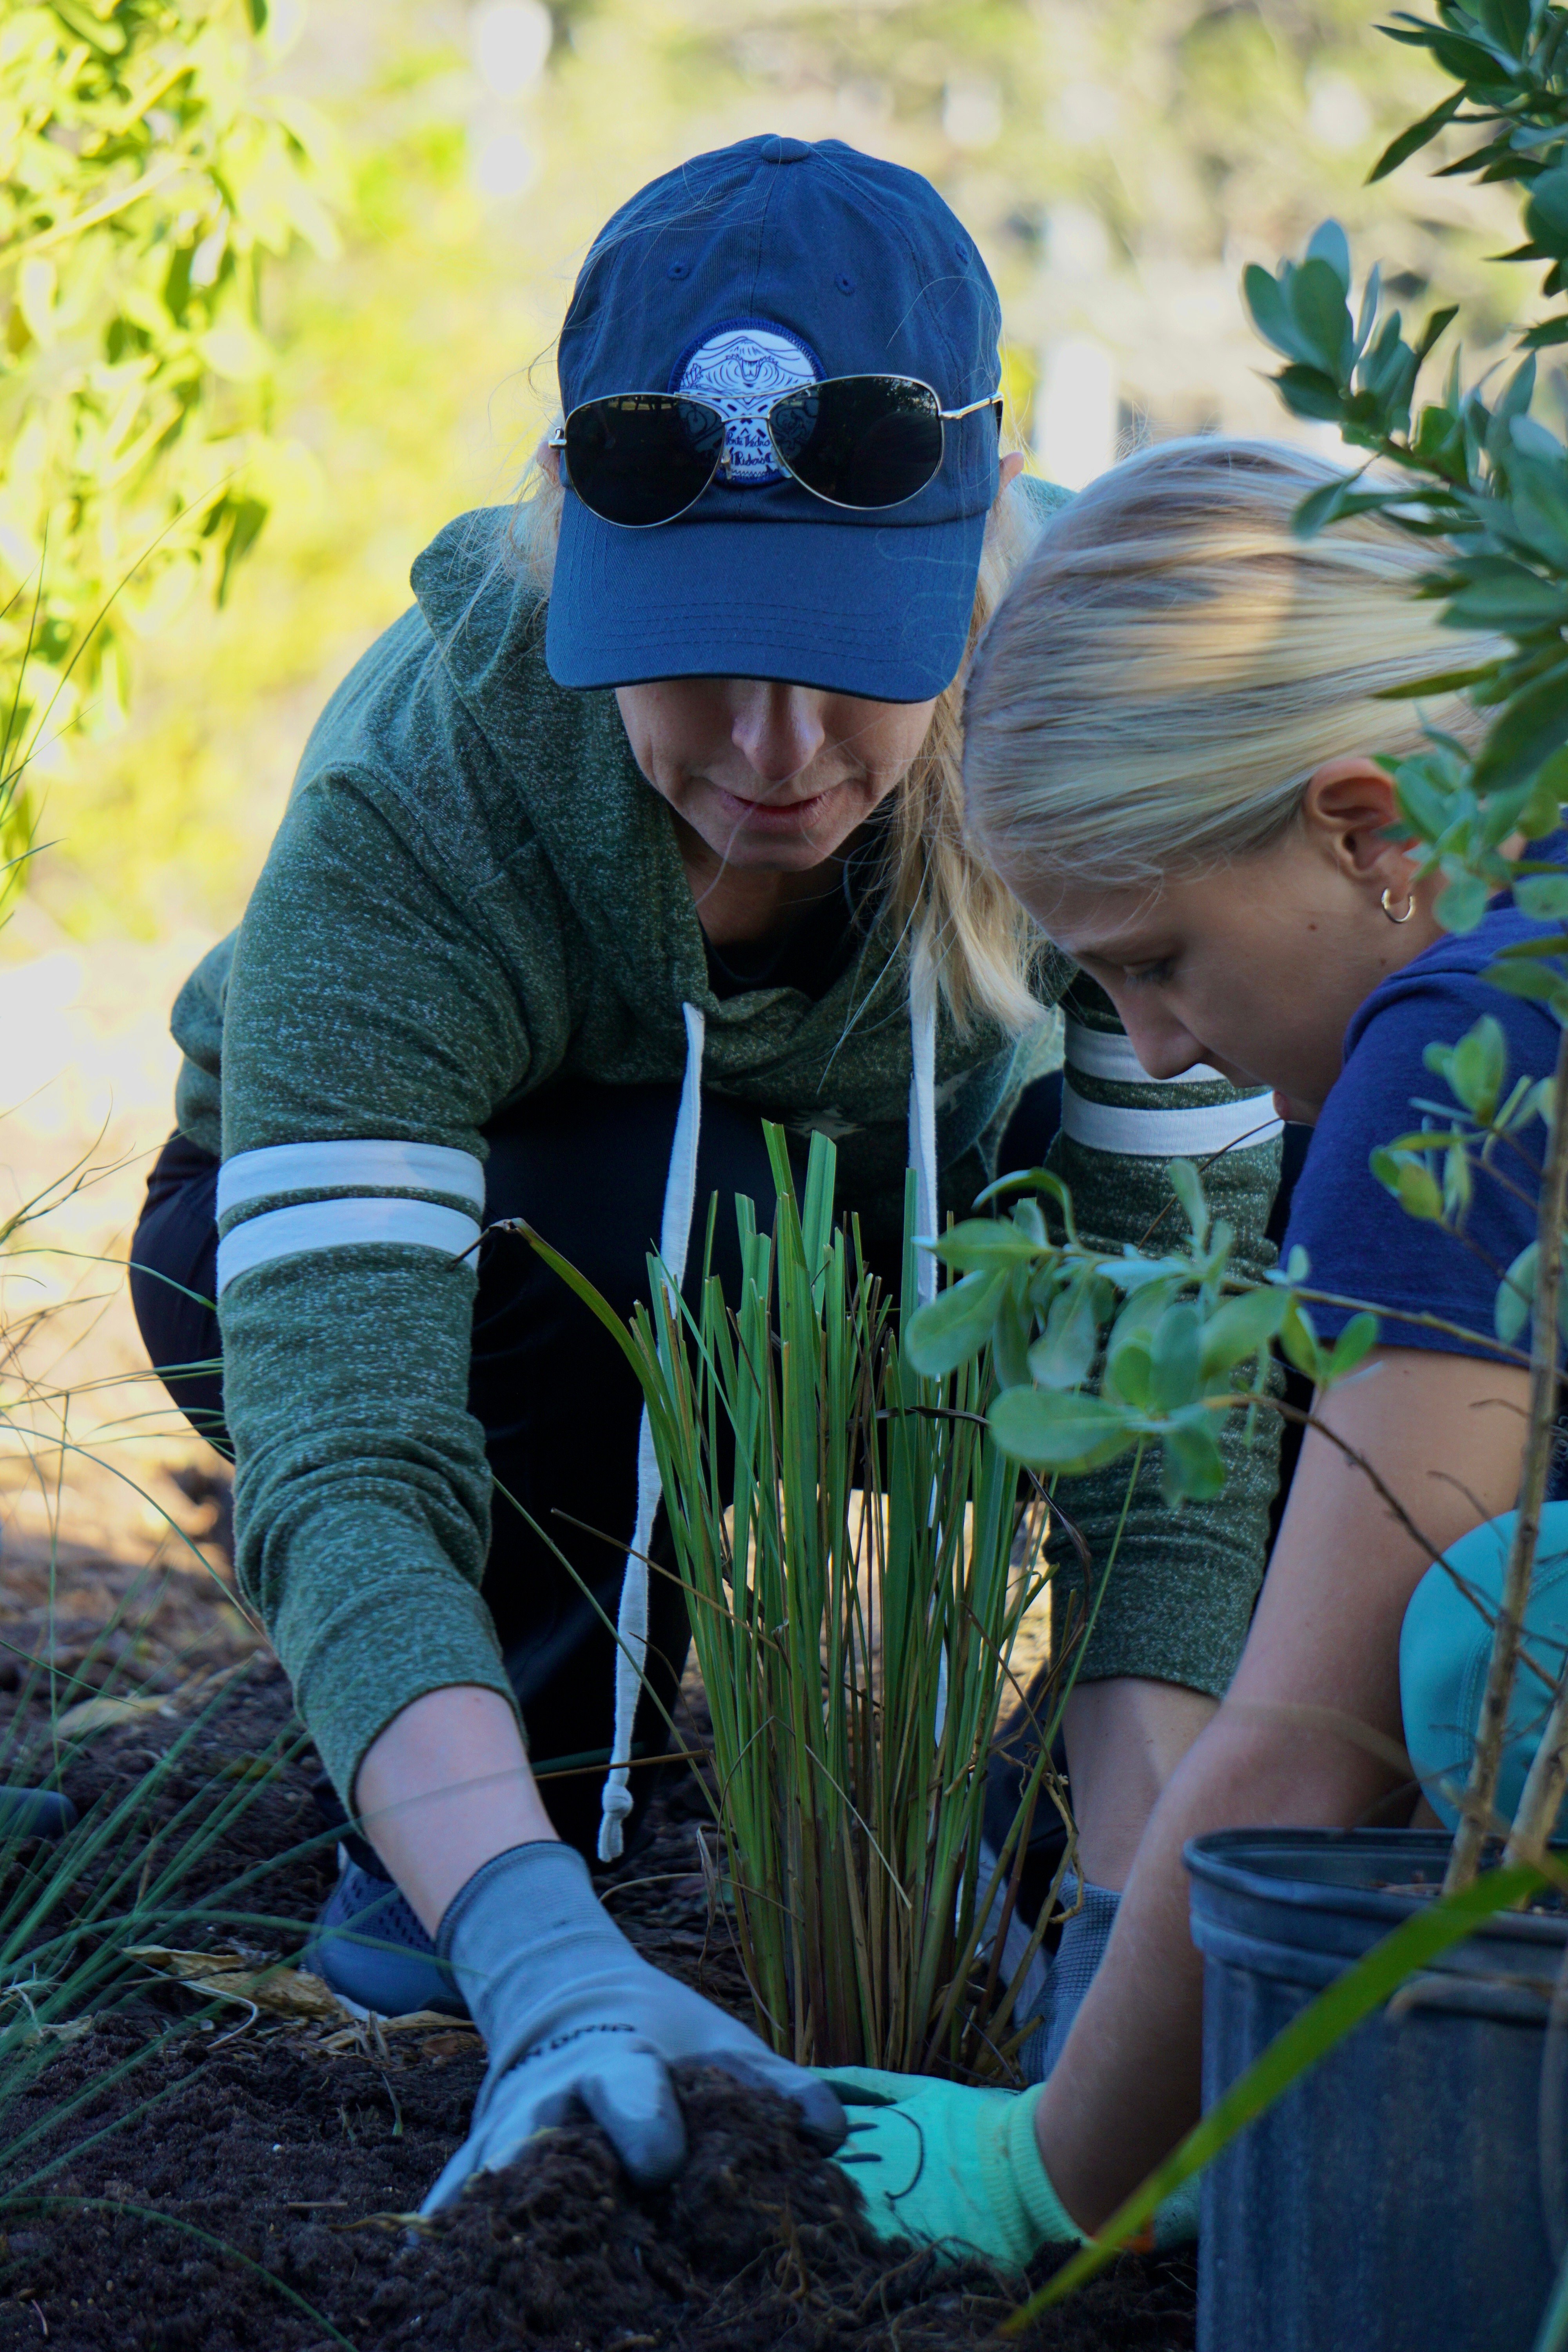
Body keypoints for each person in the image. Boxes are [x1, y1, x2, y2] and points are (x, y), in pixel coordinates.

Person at [127, 147, 1281, 2211]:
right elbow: (348, 1440)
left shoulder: (1093, 727)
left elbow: (1175, 1394)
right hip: (434, 1261)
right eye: (698, 655)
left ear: (976, 559)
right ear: (571, 543)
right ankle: (506, 1826)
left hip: (893, 1260)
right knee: (620, 1212)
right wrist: (536, 1953)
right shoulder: (433, 777)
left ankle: (1061, 1850)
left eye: (845, 649)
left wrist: (1133, 1932)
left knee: (1275, 1327)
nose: (774, 745)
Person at [826, 435, 1562, 2262]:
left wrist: (1053, 2174)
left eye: (1156, 960)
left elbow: (1318, 1734)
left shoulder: (1464, 1047)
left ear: (1364, 826)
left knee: (1483, 1650)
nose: (1150, 1052)